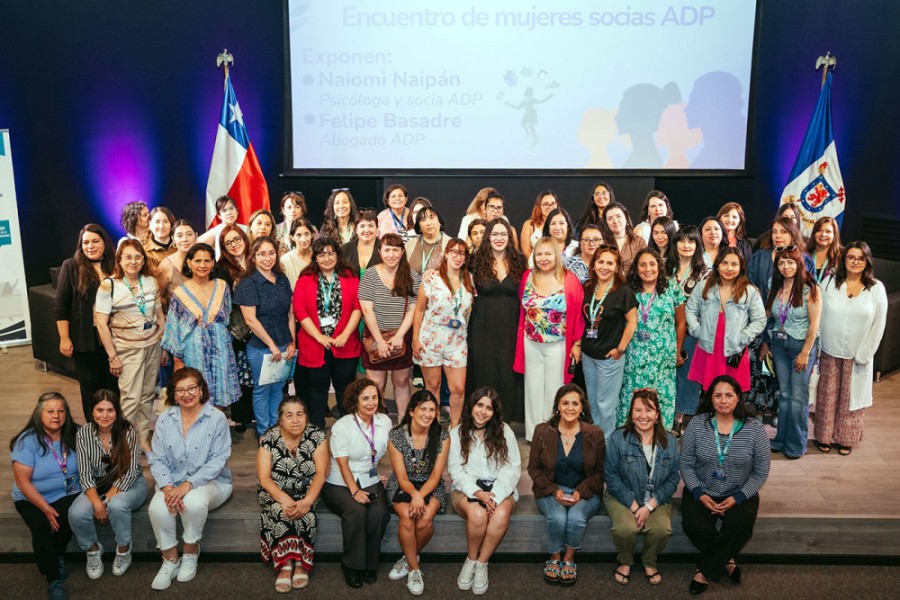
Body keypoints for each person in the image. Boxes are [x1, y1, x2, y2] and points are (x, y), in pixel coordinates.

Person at [680, 375, 771, 595]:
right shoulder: (696, 425)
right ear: (710, 399)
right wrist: (699, 494)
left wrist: (738, 498)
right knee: (694, 525)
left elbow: (761, 472)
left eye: (729, 395)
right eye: (717, 395)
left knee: (741, 527)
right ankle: (727, 560)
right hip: (702, 489)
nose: (723, 400)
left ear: (738, 398)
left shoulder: (755, 430)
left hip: (739, 492)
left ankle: (704, 570)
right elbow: (686, 464)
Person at [148, 368, 233, 590]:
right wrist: (167, 487)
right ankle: (170, 560)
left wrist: (187, 485)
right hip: (172, 482)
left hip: (212, 482)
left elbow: (218, 461)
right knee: (158, 508)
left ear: (201, 389)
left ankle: (190, 552)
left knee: (193, 502)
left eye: (192, 388)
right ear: (174, 394)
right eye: (180, 390)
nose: (187, 394)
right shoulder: (165, 419)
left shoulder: (216, 418)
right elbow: (157, 459)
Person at [815, 242, 888, 455]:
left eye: (860, 258)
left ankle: (846, 439)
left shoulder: (876, 288)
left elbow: (879, 324)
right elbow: (818, 313)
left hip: (858, 354)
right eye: (850, 257)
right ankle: (824, 436)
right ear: (843, 260)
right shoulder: (829, 282)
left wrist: (866, 352)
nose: (855, 262)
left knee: (851, 398)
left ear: (867, 262)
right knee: (827, 396)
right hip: (829, 349)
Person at [529, 384, 605, 586]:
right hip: (550, 489)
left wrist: (582, 490)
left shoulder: (595, 434)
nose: (570, 408)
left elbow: (600, 472)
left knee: (576, 518)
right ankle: (554, 558)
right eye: (565, 403)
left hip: (586, 491)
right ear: (558, 407)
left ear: (582, 408)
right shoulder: (542, 431)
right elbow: (533, 469)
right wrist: (553, 490)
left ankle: (569, 559)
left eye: (575, 403)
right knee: (558, 517)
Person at [94, 239, 166, 451]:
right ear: (119, 260)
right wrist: (112, 356)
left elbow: (160, 315)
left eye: (137, 257)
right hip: (127, 350)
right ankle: (124, 442)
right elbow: (101, 323)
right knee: (130, 398)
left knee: (147, 396)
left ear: (143, 259)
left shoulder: (151, 282)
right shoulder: (109, 285)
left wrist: (161, 345)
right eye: (128, 257)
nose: (133, 261)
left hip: (152, 347)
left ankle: (143, 438)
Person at [449, 387, 521, 595]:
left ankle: (482, 563)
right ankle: (471, 560)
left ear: (495, 412)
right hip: (466, 488)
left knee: (499, 516)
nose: (483, 411)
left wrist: (495, 497)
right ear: (471, 405)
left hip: (499, 487)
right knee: (478, 514)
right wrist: (477, 493)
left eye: (489, 408)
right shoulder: (456, 433)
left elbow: (512, 467)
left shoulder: (505, 431)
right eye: (479, 405)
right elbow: (456, 471)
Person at [321, 379, 393, 588]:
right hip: (339, 482)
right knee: (356, 511)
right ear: (355, 401)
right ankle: (351, 566)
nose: (371, 403)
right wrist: (355, 491)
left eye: (374, 397)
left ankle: (370, 565)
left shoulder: (384, 422)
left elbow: (377, 453)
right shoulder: (343, 426)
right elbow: (342, 464)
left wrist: (373, 473)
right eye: (365, 398)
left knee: (380, 512)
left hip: (369, 478)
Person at [605, 389, 680, 587]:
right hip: (621, 496)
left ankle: (649, 561)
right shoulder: (617, 438)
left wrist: (649, 506)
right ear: (631, 414)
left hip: (656, 498)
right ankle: (625, 561)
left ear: (657, 414)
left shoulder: (670, 442)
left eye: (649, 410)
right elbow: (611, 477)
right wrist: (634, 507)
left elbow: (673, 478)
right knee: (625, 529)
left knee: (661, 530)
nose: (643, 416)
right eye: (637, 410)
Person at [69, 390, 147, 579]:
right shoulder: (83, 434)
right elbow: (85, 474)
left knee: (118, 504)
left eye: (110, 410)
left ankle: (124, 549)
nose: (105, 415)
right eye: (100, 410)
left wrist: (104, 501)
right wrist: (97, 503)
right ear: (92, 412)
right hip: (97, 484)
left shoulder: (128, 431)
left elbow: (130, 472)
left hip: (131, 485)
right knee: (77, 513)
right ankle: (93, 549)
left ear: (117, 411)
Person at [10, 393, 81, 600]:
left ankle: (57, 553)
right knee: (41, 525)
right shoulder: (27, 441)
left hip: (68, 492)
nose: (56, 416)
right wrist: (45, 507)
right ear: (39, 414)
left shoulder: (77, 434)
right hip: (31, 496)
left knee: (70, 516)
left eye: (61, 411)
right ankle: (53, 579)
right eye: (50, 411)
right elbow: (23, 482)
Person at [515, 237, 584, 441]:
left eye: (548, 253)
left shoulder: (570, 280)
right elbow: (522, 308)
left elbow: (579, 316)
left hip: (559, 345)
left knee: (555, 390)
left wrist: (577, 344)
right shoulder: (527, 277)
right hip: (531, 343)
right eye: (539, 254)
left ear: (557, 255)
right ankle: (534, 434)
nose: (543, 258)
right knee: (533, 389)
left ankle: (553, 433)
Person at [257, 396, 329, 592]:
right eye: (289, 415)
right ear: (280, 419)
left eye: (300, 414)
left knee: (306, 513)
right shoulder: (269, 439)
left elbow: (322, 473)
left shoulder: (317, 436)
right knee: (283, 512)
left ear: (306, 416)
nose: (295, 420)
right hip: (275, 490)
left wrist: (308, 500)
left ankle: (301, 564)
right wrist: (284, 498)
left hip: (308, 489)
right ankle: (286, 565)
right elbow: (264, 478)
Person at [746, 217, 813, 417]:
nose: (778, 236)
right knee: (762, 367)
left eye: (783, 231)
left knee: (785, 380)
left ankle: (777, 414)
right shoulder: (759, 256)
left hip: (794, 330)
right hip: (762, 324)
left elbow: (810, 297)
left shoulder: (804, 259)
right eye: (774, 231)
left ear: (793, 234)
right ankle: (759, 409)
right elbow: (748, 286)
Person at [386, 390, 451, 595]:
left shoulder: (442, 435)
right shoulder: (396, 435)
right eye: (423, 408)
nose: (428, 414)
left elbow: (435, 476)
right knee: (407, 515)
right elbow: (402, 477)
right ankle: (415, 569)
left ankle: (407, 558)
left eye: (432, 410)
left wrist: (420, 496)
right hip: (402, 484)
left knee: (424, 519)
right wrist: (414, 495)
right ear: (412, 411)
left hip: (431, 485)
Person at [293, 237, 362, 429]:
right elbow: (299, 311)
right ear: (314, 257)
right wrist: (318, 336)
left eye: (331, 253)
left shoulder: (350, 277)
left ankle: (347, 427)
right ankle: (316, 427)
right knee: (316, 388)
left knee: (345, 387)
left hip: (345, 342)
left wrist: (346, 334)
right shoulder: (305, 279)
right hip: (314, 343)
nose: (326, 258)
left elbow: (358, 307)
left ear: (338, 255)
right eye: (321, 254)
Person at [161, 243, 240, 409]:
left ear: (213, 263)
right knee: (196, 397)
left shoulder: (222, 286)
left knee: (218, 398)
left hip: (220, 348)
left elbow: (228, 316)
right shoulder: (180, 292)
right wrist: (177, 361)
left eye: (207, 260)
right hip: (193, 352)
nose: (202, 265)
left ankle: (214, 432)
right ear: (189, 263)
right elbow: (174, 329)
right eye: (197, 260)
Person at [762, 247, 821, 459]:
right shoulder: (774, 285)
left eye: (790, 262)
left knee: (798, 397)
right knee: (785, 395)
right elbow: (768, 314)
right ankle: (781, 440)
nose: (786, 267)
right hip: (779, 345)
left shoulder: (810, 288)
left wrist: (805, 352)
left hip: (801, 347)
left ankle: (796, 445)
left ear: (799, 264)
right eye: (781, 263)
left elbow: (814, 325)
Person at [466, 218, 527, 423]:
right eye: (495, 234)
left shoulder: (520, 261)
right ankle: (482, 417)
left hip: (511, 325)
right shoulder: (475, 261)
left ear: (509, 237)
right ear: (488, 237)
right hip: (482, 325)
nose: (499, 238)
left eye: (503, 234)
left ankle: (506, 419)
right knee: (484, 369)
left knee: (508, 371)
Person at [617, 248, 686, 430]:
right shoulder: (628, 290)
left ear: (659, 266)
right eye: (642, 264)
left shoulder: (672, 288)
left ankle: (661, 438)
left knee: (662, 397)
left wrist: (678, 352)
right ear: (636, 269)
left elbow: (680, 322)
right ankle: (629, 437)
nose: (648, 269)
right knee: (632, 395)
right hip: (634, 356)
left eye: (652, 264)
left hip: (664, 358)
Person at [234, 237, 297, 435]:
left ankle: (276, 429)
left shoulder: (282, 279)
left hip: (283, 342)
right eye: (261, 254)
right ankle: (264, 432)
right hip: (261, 346)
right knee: (262, 390)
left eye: (271, 253)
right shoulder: (248, 283)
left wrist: (291, 341)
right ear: (253, 257)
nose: (267, 258)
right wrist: (271, 345)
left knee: (278, 389)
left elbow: (290, 313)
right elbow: (250, 320)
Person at [55, 224, 118, 418]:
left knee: (114, 386)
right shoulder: (71, 266)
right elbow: (61, 306)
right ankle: (94, 431)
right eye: (85, 242)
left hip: (115, 336)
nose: (90, 246)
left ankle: (115, 430)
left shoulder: (116, 265)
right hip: (85, 337)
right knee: (90, 387)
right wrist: (64, 338)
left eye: (95, 241)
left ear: (105, 243)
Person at [686, 249, 766, 397]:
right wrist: (697, 331)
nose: (729, 268)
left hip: (734, 349)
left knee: (732, 393)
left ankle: (730, 420)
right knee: (708, 392)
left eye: (734, 264)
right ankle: (709, 420)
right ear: (717, 265)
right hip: (708, 347)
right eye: (725, 263)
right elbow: (690, 311)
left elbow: (760, 320)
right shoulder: (703, 286)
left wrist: (743, 338)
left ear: (741, 266)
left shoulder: (749, 291)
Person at [412, 238, 474, 426]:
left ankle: (455, 428)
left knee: (458, 389)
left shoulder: (470, 279)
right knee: (433, 386)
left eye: (462, 253)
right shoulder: (431, 278)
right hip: (430, 339)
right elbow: (420, 310)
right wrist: (415, 339)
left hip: (456, 342)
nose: (458, 256)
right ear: (445, 254)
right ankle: (435, 427)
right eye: (453, 251)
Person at [358, 233, 421, 418]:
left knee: (401, 382)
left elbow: (413, 309)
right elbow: (367, 310)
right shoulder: (370, 274)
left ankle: (403, 422)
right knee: (375, 386)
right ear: (380, 252)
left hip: (401, 337)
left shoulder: (412, 276)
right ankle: (377, 423)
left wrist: (400, 336)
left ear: (402, 252)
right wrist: (380, 341)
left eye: (395, 250)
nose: (391, 254)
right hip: (374, 337)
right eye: (387, 250)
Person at [579, 247, 637, 439]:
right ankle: (596, 440)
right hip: (589, 355)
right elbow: (585, 320)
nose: (604, 267)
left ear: (616, 266)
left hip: (609, 358)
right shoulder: (588, 287)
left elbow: (632, 322)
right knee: (593, 402)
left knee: (607, 404)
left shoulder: (623, 291)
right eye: (601, 262)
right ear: (593, 265)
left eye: (610, 263)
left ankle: (607, 444)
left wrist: (620, 350)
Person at [671, 226, 712, 435]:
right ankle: (664, 416)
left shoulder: (706, 272)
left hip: (691, 334)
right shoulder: (664, 267)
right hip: (664, 333)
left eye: (691, 241)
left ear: (697, 245)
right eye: (682, 240)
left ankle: (679, 419)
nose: (686, 245)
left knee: (687, 378)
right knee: (667, 377)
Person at [215, 225, 255, 433]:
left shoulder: (256, 259)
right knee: (240, 373)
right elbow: (224, 301)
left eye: (237, 239)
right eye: (228, 242)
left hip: (259, 325)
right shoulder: (221, 268)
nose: (234, 245)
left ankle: (257, 414)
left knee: (256, 371)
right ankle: (241, 417)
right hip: (236, 328)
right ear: (223, 247)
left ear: (244, 238)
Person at [157, 219, 197, 301]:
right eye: (179, 235)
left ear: (196, 236)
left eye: (189, 234)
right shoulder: (166, 265)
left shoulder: (205, 259)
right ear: (173, 239)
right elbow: (159, 297)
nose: (185, 239)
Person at [600, 203, 646, 274]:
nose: (615, 221)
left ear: (627, 219)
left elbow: (644, 266)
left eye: (618, 216)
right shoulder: (602, 243)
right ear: (606, 223)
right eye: (610, 218)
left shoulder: (639, 242)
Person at [405, 206, 449, 275]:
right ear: (419, 226)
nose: (429, 223)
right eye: (423, 219)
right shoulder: (408, 246)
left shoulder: (450, 244)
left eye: (432, 218)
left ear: (439, 221)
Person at [343, 209, 382, 276]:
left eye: (371, 226)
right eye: (362, 226)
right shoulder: (345, 249)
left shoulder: (385, 248)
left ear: (377, 227)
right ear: (356, 229)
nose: (366, 230)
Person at [520, 190, 559, 258]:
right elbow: (526, 251)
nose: (550, 207)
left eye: (553, 204)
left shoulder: (560, 226)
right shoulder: (529, 225)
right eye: (546, 204)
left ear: (557, 205)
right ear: (539, 206)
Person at [280, 218, 315, 289]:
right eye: (299, 235)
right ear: (292, 237)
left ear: (312, 235)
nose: (303, 239)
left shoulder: (318, 257)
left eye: (307, 234)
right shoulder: (286, 260)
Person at [809, 216, 843, 284]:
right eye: (819, 230)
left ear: (834, 235)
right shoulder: (805, 254)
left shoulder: (842, 256)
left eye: (828, 231)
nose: (823, 234)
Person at [142, 207, 177, 271]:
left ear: (171, 224)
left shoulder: (179, 247)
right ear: (150, 224)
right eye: (157, 222)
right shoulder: (143, 251)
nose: (161, 226)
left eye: (165, 222)